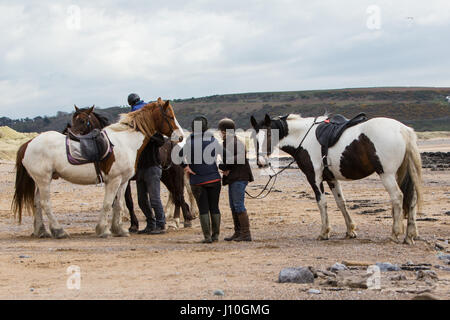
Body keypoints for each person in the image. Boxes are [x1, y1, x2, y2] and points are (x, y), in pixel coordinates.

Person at [127, 93, 166, 234]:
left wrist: (148, 135)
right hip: (140, 168)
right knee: (142, 201)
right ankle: (151, 224)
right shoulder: (133, 132)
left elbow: (161, 141)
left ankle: (161, 225)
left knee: (154, 199)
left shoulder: (152, 130)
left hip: (152, 166)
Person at [181, 116, 222, 243]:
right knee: (214, 207)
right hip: (214, 179)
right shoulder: (213, 140)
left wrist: (187, 168)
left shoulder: (189, 142)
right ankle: (215, 236)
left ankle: (207, 237)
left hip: (197, 181)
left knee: (203, 209)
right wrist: (224, 169)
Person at [218, 118, 254, 241]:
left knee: (238, 205)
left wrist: (225, 166)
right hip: (235, 177)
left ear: (225, 131)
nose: (220, 133)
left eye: (221, 131)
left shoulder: (234, 142)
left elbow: (239, 157)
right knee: (234, 206)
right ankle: (238, 232)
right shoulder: (230, 141)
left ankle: (246, 234)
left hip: (239, 177)